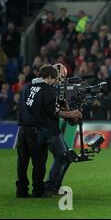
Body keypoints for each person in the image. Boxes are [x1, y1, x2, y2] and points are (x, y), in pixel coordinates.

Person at [16, 65, 81, 198]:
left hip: (22, 130)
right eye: (55, 79)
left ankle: (21, 191)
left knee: (22, 162)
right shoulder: (47, 90)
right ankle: (38, 191)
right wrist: (70, 114)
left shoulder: (26, 88)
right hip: (37, 131)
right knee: (39, 163)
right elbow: (53, 112)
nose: (55, 82)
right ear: (50, 77)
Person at [44, 63, 82, 194]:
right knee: (62, 156)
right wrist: (70, 114)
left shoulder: (57, 91)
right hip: (48, 130)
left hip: (53, 130)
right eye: (62, 76)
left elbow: (65, 112)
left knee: (67, 157)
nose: (62, 80)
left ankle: (54, 186)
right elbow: (57, 111)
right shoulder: (48, 90)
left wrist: (74, 114)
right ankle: (50, 186)